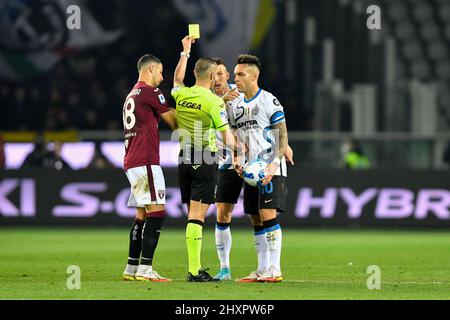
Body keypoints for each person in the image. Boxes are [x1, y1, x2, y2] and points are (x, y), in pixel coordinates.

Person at [211, 58, 294, 281]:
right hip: (251, 169)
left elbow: (282, 133)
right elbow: (235, 135)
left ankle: (275, 269)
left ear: (253, 77)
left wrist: (274, 163)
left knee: (268, 215)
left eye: (239, 75)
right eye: (235, 74)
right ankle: (262, 269)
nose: (235, 79)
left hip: (270, 167)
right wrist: (238, 160)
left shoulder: (269, 100)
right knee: (256, 218)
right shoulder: (235, 105)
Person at [171, 36, 235, 282]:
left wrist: (185, 51)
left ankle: (194, 267)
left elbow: (177, 80)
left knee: (192, 215)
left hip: (183, 158)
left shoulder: (183, 94)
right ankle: (194, 271)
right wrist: (244, 152)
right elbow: (227, 138)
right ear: (211, 77)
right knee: (197, 217)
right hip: (204, 158)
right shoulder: (213, 102)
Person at [121, 53, 177, 282]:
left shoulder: (131, 94)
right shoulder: (150, 91)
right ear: (151, 69)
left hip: (132, 160)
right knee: (157, 213)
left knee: (141, 215)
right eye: (161, 72)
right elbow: (174, 122)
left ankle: (132, 267)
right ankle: (146, 269)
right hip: (145, 160)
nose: (162, 78)